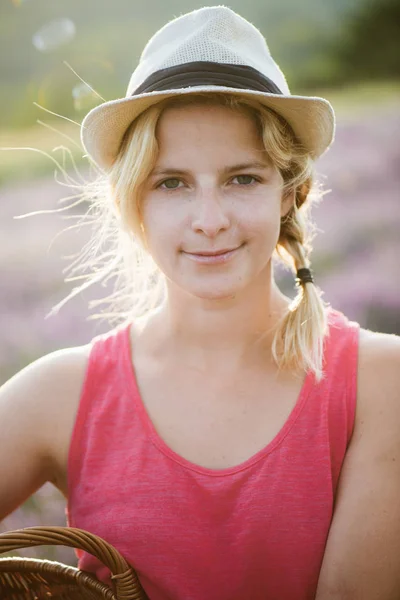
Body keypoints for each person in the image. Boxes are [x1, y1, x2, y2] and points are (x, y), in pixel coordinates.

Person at [1, 5, 399, 600]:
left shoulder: (378, 382)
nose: (209, 221)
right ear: (132, 203)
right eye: (171, 183)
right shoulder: (62, 394)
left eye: (243, 178)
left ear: (291, 195)